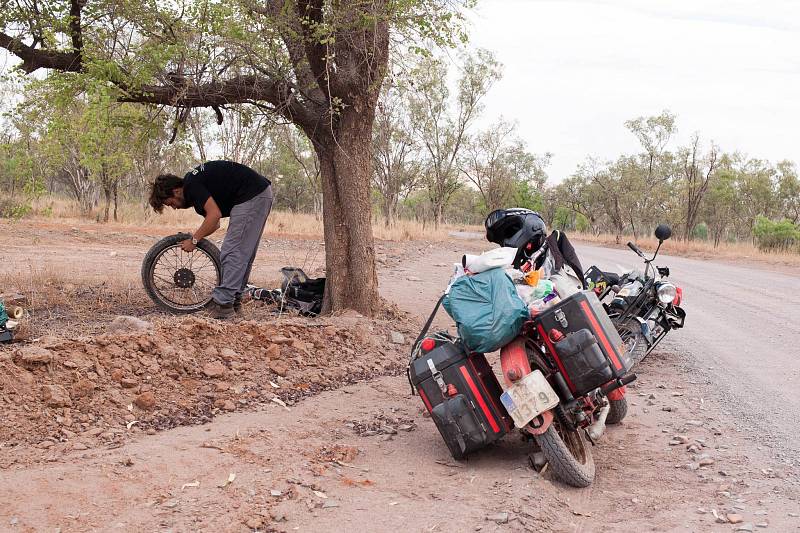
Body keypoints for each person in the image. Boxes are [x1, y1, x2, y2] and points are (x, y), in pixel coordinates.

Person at [149, 160, 274, 319]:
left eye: (171, 203)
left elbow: (214, 215)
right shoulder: (195, 186)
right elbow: (214, 224)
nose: (174, 207)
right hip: (259, 193)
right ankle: (233, 301)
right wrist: (196, 237)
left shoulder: (192, 185)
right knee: (242, 253)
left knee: (233, 252)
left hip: (252, 195)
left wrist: (194, 240)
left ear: (176, 191)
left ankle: (224, 305)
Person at [484, 208, 586, 296]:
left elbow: (568, 294)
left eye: (510, 234)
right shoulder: (530, 263)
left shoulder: (552, 257)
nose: (506, 242)